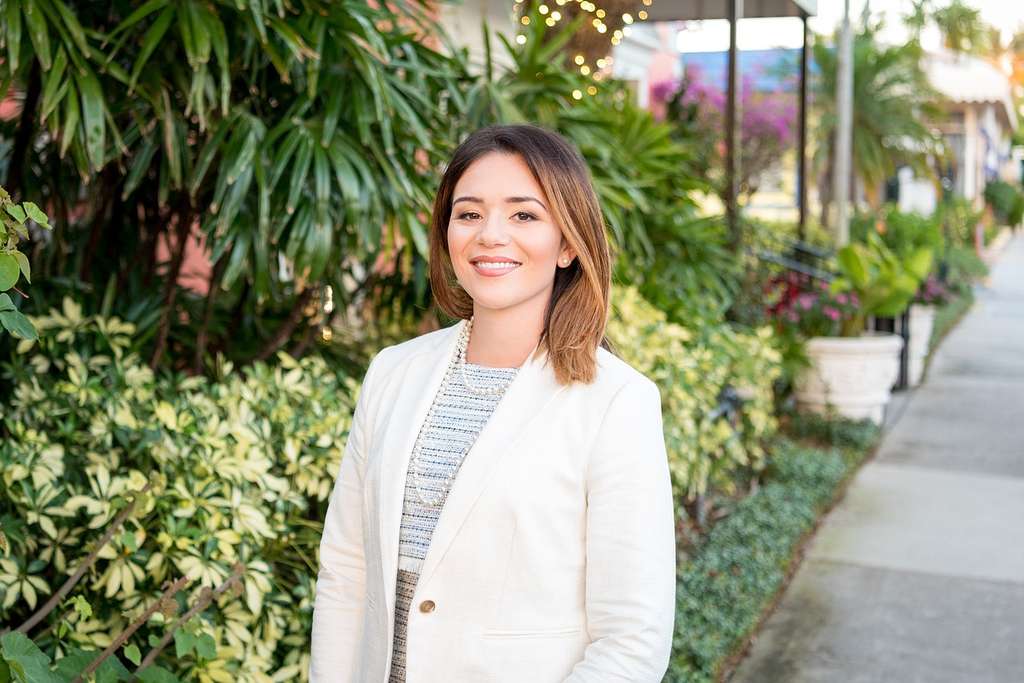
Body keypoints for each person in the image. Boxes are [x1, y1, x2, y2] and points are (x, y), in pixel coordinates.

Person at [310, 123, 676, 682]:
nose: (490, 235)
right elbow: (346, 571)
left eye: (524, 215)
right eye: (469, 213)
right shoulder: (393, 372)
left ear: (569, 244)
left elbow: (632, 639)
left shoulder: (617, 402)